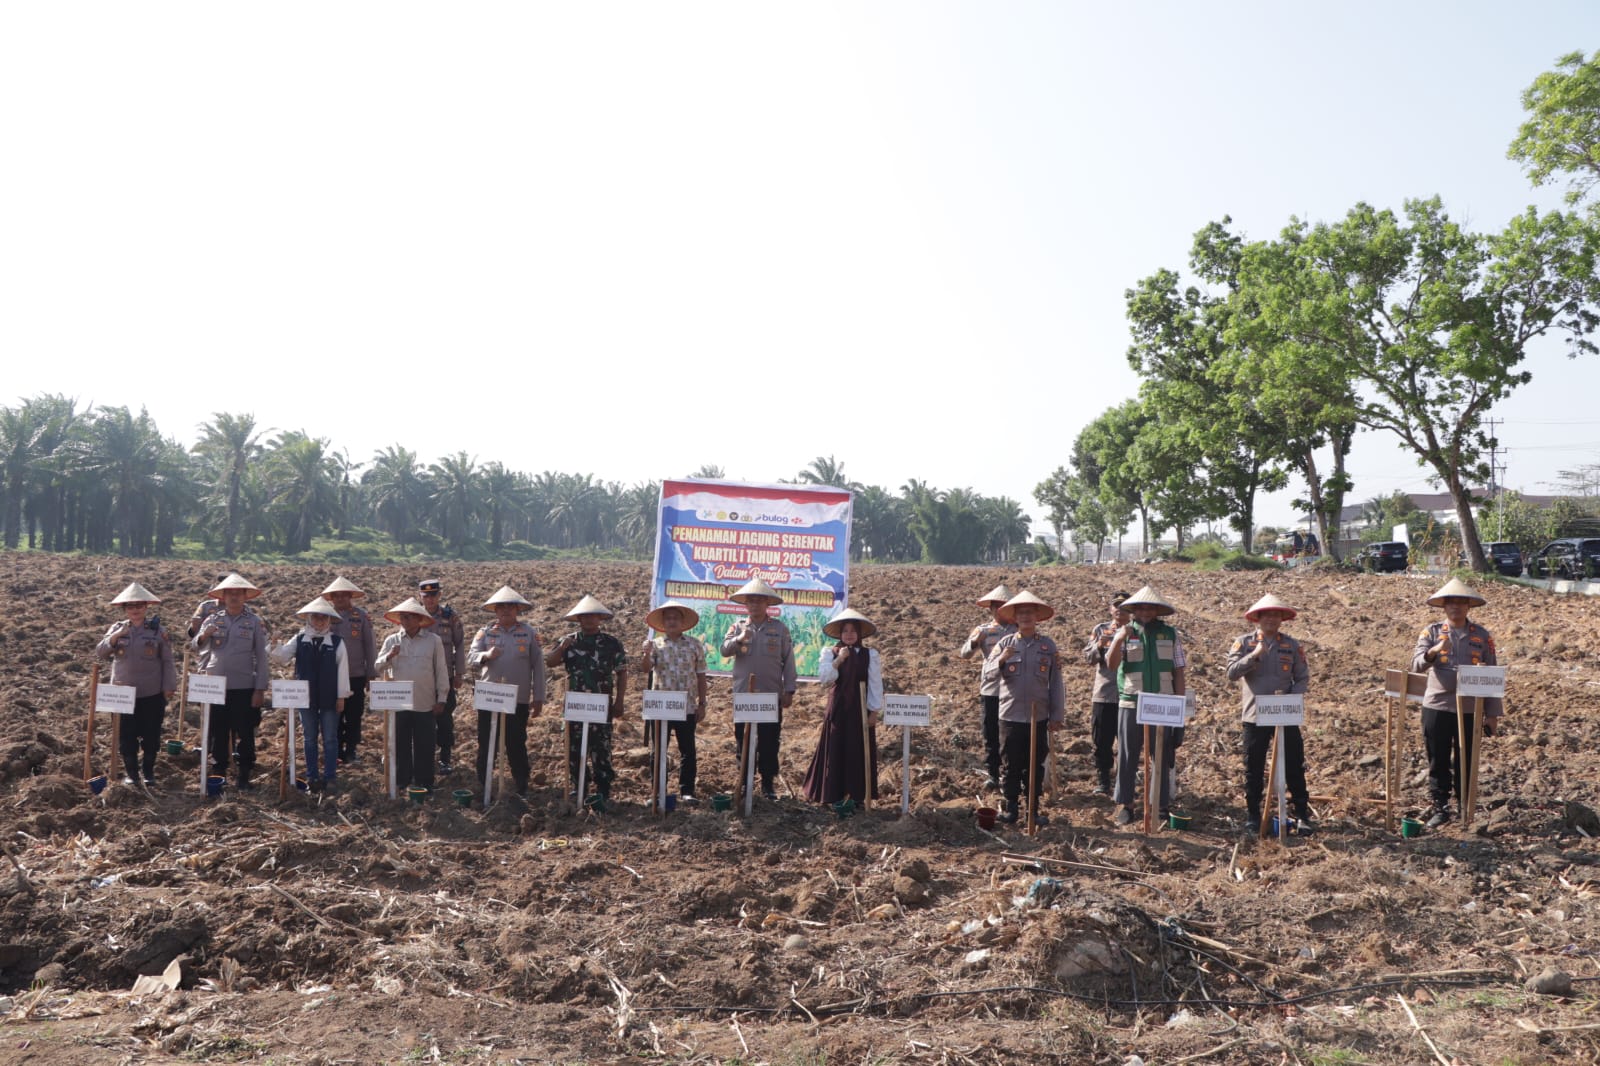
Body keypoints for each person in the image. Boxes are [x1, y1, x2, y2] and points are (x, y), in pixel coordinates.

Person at [1411, 577, 1502, 828]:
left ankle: (1465, 807)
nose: (1456, 607)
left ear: (1469, 607)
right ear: (1444, 606)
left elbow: (1492, 675)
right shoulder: (1430, 632)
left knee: (1466, 759)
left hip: (1471, 708)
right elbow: (1416, 665)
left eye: (1462, 603)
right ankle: (1440, 807)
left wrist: (1492, 715)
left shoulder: (1482, 636)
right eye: (1451, 603)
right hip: (1437, 706)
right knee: (1437, 758)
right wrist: (1434, 651)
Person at [1225, 593, 1311, 830]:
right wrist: (1254, 656)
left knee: (1294, 764)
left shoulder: (1291, 645)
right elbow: (1231, 673)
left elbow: (1302, 677)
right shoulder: (1243, 643)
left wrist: (1292, 697)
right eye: (1267, 615)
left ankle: (1302, 814)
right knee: (1253, 766)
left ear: (1282, 619)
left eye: (1276, 615)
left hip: (1284, 714)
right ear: (1257, 618)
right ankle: (1253, 815)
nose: (1272, 619)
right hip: (1254, 716)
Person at [1105, 585, 1187, 827]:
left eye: (1150, 607)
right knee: (1128, 754)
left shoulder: (1170, 634)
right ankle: (1125, 805)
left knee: (1161, 754)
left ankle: (1160, 805)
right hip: (1131, 701)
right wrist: (1119, 637)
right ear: (1133, 609)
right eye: (1141, 607)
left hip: (1162, 702)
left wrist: (1180, 707)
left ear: (1157, 610)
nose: (1145, 611)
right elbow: (1110, 664)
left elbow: (1179, 671)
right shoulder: (1124, 633)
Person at [987, 590, 1064, 826]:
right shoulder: (1005, 644)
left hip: (1038, 717)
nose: (1026, 617)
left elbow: (1056, 683)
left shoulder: (1047, 646)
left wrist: (1056, 714)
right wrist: (1001, 659)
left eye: (1030, 613)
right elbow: (988, 675)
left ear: (1037, 617)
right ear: (1015, 618)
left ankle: (1033, 810)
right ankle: (1011, 809)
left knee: (1034, 764)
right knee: (1010, 763)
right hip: (1010, 716)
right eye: (1021, 614)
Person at [545, 594, 628, 805]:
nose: (589, 620)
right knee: (573, 745)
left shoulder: (611, 644)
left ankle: (603, 788)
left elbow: (622, 672)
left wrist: (619, 701)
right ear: (578, 619)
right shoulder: (569, 641)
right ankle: (578, 785)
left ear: (600, 618)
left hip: (601, 703)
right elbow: (551, 662)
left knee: (601, 746)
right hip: (576, 704)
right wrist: (562, 647)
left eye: (593, 616)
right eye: (585, 617)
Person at [94, 582, 177, 787]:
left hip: (151, 693)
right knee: (126, 736)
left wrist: (169, 686)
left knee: (151, 735)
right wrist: (115, 637)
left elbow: (167, 660)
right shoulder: (117, 628)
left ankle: (148, 772)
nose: (135, 610)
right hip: (122, 694)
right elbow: (101, 652)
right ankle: (132, 773)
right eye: (130, 606)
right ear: (125, 609)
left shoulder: (157, 631)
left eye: (139, 606)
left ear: (146, 607)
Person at [191, 573, 269, 790]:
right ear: (223, 596)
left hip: (244, 686)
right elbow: (194, 646)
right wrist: (204, 635)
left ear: (245, 596)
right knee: (218, 730)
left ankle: (244, 774)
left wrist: (260, 688)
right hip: (215, 686)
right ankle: (218, 772)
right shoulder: (213, 619)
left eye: (238, 593)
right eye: (230, 593)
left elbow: (261, 657)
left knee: (245, 731)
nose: (234, 597)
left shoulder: (253, 622)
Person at [721, 578, 795, 802]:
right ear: (746, 605)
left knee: (769, 740)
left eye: (759, 601)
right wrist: (739, 639)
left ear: (767, 604)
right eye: (751, 602)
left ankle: (767, 784)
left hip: (770, 695)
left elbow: (789, 661)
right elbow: (724, 651)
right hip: (744, 695)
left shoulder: (779, 629)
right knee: (743, 739)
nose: (755, 606)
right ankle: (744, 782)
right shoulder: (737, 627)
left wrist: (789, 690)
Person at [467, 585, 546, 796]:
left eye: (510, 607)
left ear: (517, 610)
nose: (505, 611)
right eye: (501, 607)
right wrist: (486, 655)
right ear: (495, 610)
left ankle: (521, 783)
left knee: (516, 742)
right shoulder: (485, 632)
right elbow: (470, 658)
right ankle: (484, 784)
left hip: (517, 699)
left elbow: (538, 667)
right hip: (489, 697)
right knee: (486, 742)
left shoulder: (529, 633)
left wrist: (538, 697)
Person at [269, 597, 351, 793]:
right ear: (309, 619)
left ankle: (330, 776)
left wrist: (341, 697)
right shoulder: (299, 639)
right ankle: (312, 775)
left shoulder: (337, 643)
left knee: (330, 737)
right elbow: (282, 658)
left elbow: (343, 671)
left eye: (324, 618)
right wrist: (274, 644)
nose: (320, 622)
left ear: (329, 621)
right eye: (316, 618)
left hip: (330, 697)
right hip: (305, 697)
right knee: (309, 737)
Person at [803, 607, 884, 805]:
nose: (849, 635)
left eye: (853, 631)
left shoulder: (869, 655)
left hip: (860, 708)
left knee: (858, 748)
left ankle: (857, 796)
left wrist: (873, 711)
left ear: (859, 634)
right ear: (840, 634)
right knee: (835, 747)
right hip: (838, 708)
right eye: (845, 631)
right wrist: (840, 659)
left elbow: (875, 683)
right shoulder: (830, 653)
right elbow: (825, 679)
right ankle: (833, 794)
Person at [375, 596, 450, 793]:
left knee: (425, 744)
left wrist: (442, 698)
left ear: (419, 619)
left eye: (410, 617)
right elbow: (377, 666)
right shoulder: (392, 640)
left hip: (425, 702)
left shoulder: (433, 641)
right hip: (399, 702)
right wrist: (390, 655)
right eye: (403, 617)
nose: (406, 621)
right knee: (400, 743)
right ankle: (401, 780)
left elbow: (441, 670)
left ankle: (424, 782)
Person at [639, 600, 709, 804]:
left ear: (682, 621)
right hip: (661, 705)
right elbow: (645, 669)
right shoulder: (655, 645)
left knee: (687, 749)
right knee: (659, 749)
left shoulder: (694, 644)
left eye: (675, 618)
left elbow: (701, 676)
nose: (671, 621)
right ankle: (658, 792)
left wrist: (702, 703)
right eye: (668, 618)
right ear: (663, 622)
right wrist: (645, 653)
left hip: (686, 705)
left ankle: (687, 791)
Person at [959, 583, 1015, 791]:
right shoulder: (983, 630)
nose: (1000, 610)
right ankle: (993, 774)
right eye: (996, 606)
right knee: (990, 733)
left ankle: (1010, 774)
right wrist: (975, 642)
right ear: (990, 609)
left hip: (1013, 691)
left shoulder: (1019, 630)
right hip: (990, 689)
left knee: (1009, 734)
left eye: (1004, 606)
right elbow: (965, 654)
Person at [323, 576, 377, 765]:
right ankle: (336, 751)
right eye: (336, 596)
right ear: (331, 598)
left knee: (354, 714)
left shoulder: (361, 616)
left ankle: (351, 750)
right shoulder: (324, 616)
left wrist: (371, 674)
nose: (339, 599)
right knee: (333, 714)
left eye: (343, 595)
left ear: (350, 596)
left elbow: (370, 646)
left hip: (355, 674)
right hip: (330, 676)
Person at [1082, 591, 1130, 798]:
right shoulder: (1100, 630)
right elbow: (1088, 657)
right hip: (1104, 693)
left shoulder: (1136, 630)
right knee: (1102, 740)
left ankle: (1124, 780)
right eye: (1116, 605)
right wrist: (1099, 647)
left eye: (1124, 606)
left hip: (1129, 694)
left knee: (1127, 742)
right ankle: (1103, 780)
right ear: (1110, 609)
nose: (1119, 609)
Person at [418, 579, 466, 775]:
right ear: (420, 597)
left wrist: (459, 673)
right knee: (421, 718)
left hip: (445, 677)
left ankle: (445, 758)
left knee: (445, 719)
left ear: (439, 595)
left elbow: (460, 644)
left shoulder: (449, 616)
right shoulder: (414, 615)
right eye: (425, 596)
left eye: (433, 595)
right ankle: (424, 757)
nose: (430, 599)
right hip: (421, 677)